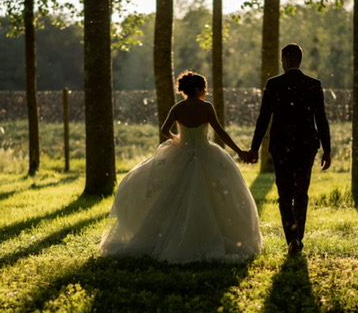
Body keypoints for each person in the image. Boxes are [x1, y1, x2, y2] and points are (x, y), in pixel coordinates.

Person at [100, 71, 263, 263]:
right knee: (213, 196)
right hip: (205, 153)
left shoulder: (178, 108)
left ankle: (169, 235)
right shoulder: (206, 107)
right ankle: (206, 232)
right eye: (204, 88)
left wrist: (176, 138)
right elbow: (221, 133)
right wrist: (240, 152)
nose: (205, 92)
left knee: (173, 196)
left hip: (181, 155)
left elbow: (164, 129)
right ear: (197, 89)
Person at [246, 43, 331, 256]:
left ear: (283, 60)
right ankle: (298, 239)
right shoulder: (313, 84)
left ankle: (292, 238)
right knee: (301, 192)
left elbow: (263, 118)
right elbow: (321, 119)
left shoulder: (274, 84)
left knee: (284, 194)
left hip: (281, 145)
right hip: (306, 145)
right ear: (299, 60)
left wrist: (255, 147)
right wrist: (327, 150)